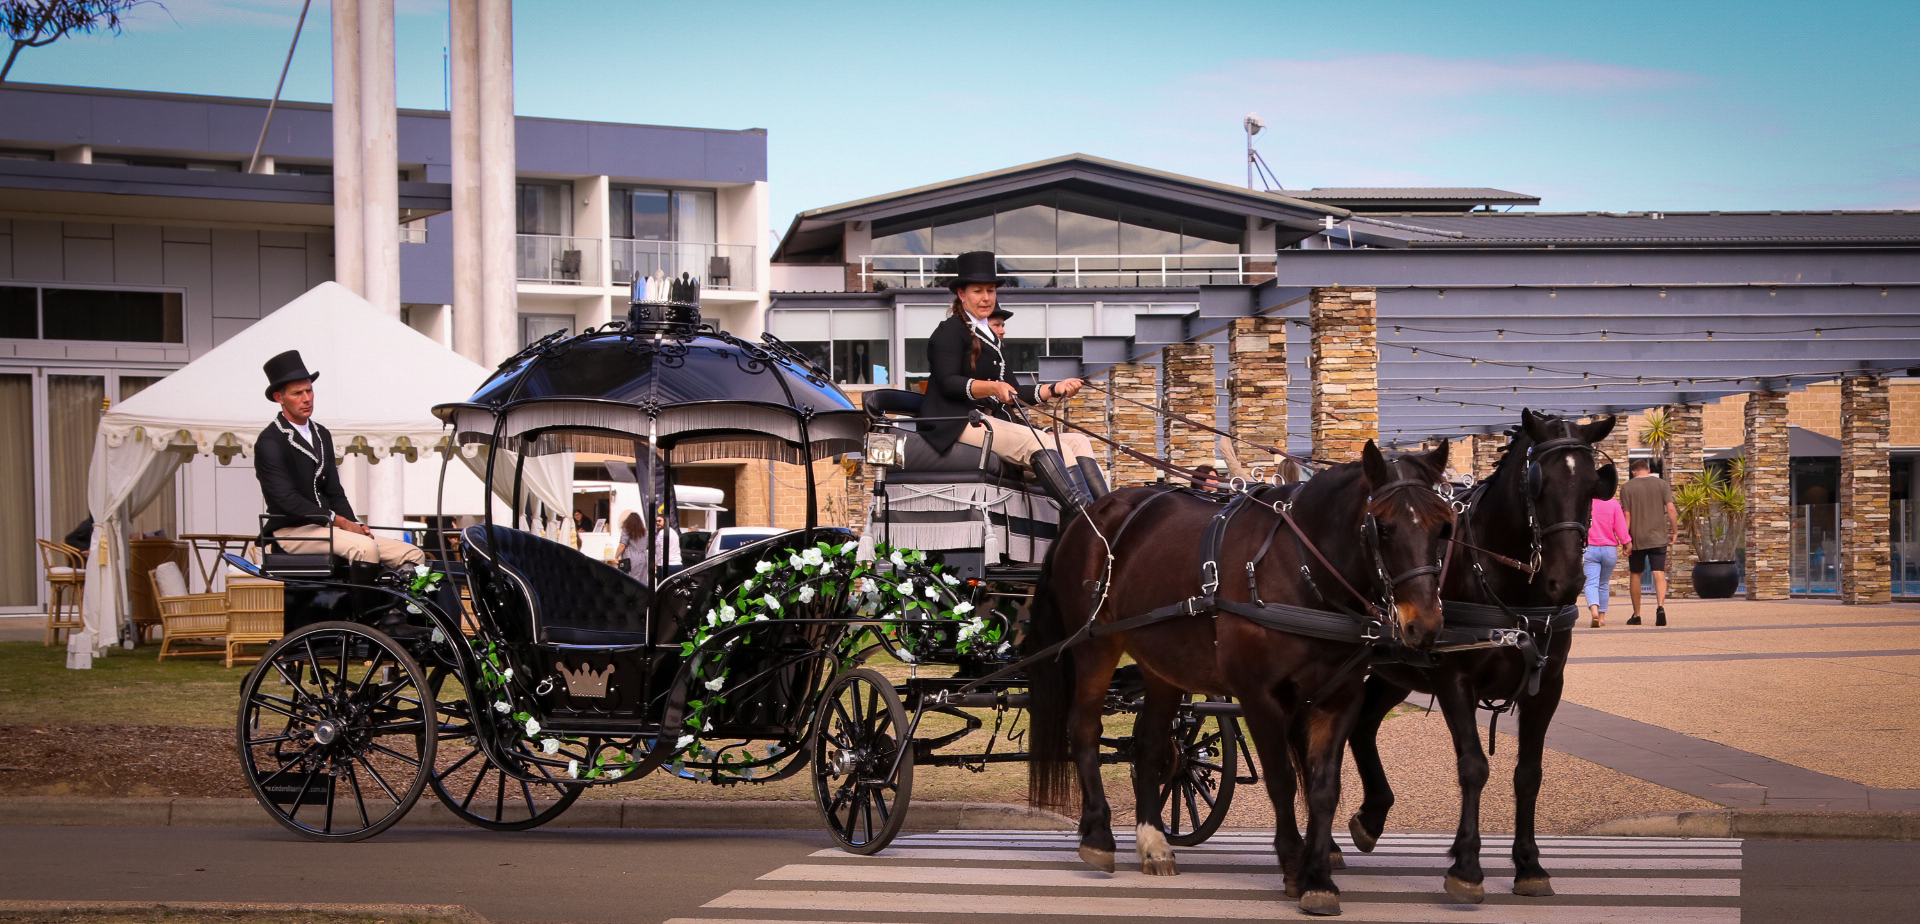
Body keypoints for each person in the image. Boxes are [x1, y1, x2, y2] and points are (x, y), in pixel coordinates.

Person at [916, 251, 1106, 517]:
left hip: (988, 420)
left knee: (1076, 442)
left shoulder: (989, 335)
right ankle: (1086, 519)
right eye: (978, 291)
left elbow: (1013, 389)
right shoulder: (949, 331)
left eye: (991, 290)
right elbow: (948, 383)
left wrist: (1053, 389)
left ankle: (1107, 512)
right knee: (1041, 442)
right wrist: (992, 388)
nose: (986, 298)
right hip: (956, 421)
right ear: (961, 294)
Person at [255, 350, 425, 569]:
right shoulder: (270, 441)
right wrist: (339, 521)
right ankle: (365, 604)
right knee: (365, 549)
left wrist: (353, 524)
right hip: (292, 530)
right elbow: (286, 499)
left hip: (328, 526)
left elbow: (334, 491)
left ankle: (401, 604)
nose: (306, 398)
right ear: (279, 398)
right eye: (297, 393)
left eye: (309, 390)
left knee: (411, 553)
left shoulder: (321, 433)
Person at [1619, 457, 1678, 626]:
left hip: (1636, 538)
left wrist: (1626, 540)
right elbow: (1671, 508)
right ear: (1649, 470)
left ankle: (1637, 615)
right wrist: (1674, 531)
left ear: (1633, 472)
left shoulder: (1627, 487)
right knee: (1659, 572)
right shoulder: (1662, 484)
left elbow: (1627, 515)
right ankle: (1660, 607)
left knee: (1636, 574)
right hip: (1658, 537)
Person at [1584, 488, 1631, 628]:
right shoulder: (1613, 504)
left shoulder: (1586, 503)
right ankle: (1602, 617)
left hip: (1590, 548)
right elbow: (1621, 527)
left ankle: (1594, 612)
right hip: (1609, 549)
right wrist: (1627, 543)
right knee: (1603, 584)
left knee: (1591, 583)